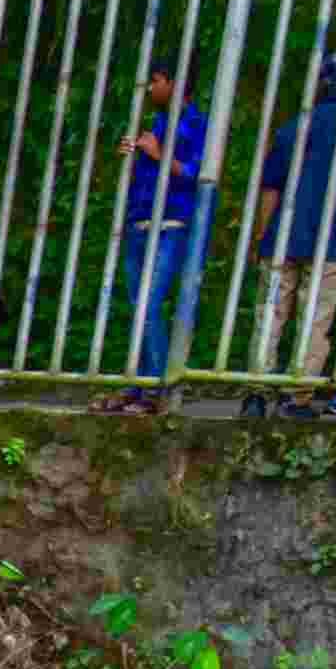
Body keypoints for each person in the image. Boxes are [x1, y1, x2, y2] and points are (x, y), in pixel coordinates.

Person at [241, 49, 336, 414]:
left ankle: (257, 392)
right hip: (329, 240)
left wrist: (260, 235)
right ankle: (297, 397)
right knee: (314, 322)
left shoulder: (292, 126)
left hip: (281, 237)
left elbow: (270, 188)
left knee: (269, 315)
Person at [99, 60, 206, 413]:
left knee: (149, 304)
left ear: (175, 84)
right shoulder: (157, 123)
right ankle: (139, 385)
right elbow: (147, 177)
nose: (149, 88)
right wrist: (134, 159)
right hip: (140, 222)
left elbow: (196, 173)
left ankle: (156, 389)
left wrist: (158, 155)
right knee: (138, 308)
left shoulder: (196, 123)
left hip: (171, 225)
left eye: (156, 81)